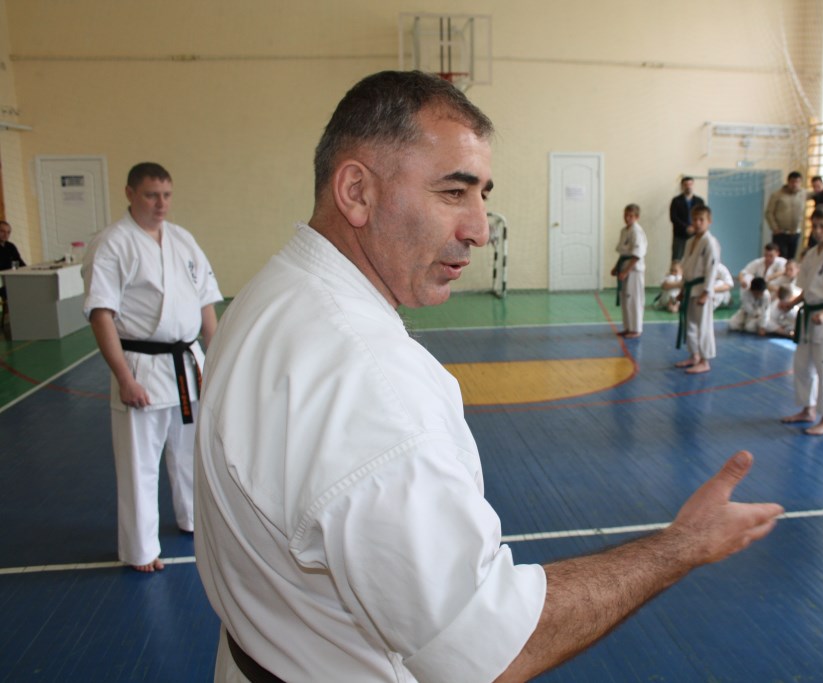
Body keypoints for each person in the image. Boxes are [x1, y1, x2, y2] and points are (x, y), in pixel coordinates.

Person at [193, 71, 783, 683]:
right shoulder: (373, 387)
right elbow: (493, 653)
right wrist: (683, 545)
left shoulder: (270, 295)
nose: (478, 228)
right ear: (356, 192)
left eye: (482, 195)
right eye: (453, 192)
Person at [82, 162, 222, 573]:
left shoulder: (182, 239)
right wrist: (124, 378)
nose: (161, 204)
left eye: (166, 195)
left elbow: (206, 304)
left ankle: (192, 518)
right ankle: (140, 549)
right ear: (130, 194)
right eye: (151, 195)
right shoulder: (111, 244)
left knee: (191, 453)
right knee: (139, 463)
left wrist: (216, 361)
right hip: (140, 365)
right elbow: (101, 315)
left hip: (187, 365)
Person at [780, 205, 823, 436]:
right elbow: (807, 290)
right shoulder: (811, 254)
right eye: (815, 226)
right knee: (803, 366)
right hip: (809, 316)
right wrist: (792, 303)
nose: (818, 231)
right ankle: (807, 410)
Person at [674, 204, 720, 374]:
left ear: (709, 221)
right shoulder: (690, 242)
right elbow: (686, 267)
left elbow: (712, 270)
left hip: (702, 290)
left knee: (704, 326)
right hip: (690, 288)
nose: (698, 223)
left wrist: (706, 293)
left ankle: (705, 360)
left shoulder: (710, 242)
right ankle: (694, 355)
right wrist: (682, 290)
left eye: (702, 219)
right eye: (695, 219)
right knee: (690, 325)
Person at [612, 203, 647, 338]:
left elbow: (637, 255)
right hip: (625, 266)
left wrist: (626, 271)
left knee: (634, 300)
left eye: (631, 216)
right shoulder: (624, 230)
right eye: (626, 215)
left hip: (634, 270)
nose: (627, 218)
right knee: (626, 299)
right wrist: (616, 267)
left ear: (637, 217)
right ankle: (628, 327)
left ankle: (636, 329)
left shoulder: (636, 231)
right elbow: (623, 253)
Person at [764, 171, 806, 259]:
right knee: (781, 259)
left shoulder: (803, 193)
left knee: (791, 259)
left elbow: (816, 194)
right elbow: (769, 213)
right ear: (788, 182)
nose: (795, 184)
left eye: (797, 182)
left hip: (795, 233)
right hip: (781, 233)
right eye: (792, 182)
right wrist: (775, 228)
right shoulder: (777, 194)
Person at [669, 175, 705, 261]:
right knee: (677, 259)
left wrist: (694, 227)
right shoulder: (676, 201)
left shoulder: (699, 201)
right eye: (686, 185)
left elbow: (703, 216)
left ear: (693, 185)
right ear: (682, 186)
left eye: (690, 184)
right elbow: (673, 217)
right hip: (680, 235)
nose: (688, 187)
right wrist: (686, 227)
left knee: (695, 259)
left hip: (696, 234)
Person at [0, 219, 27, 304]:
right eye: (2, 231)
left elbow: (18, 262)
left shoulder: (10, 246)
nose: (6, 235)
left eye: (8, 232)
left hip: (12, 279)